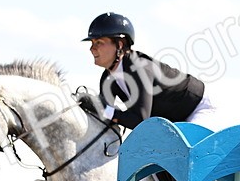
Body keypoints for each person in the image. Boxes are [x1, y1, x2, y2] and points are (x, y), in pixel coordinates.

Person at [81, 12, 219, 130]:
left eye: (99, 42)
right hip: (174, 117)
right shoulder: (107, 78)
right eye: (92, 43)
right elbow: (106, 118)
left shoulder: (140, 68)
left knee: (189, 147)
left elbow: (140, 121)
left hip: (198, 106)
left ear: (120, 44)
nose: (92, 49)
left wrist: (103, 110)